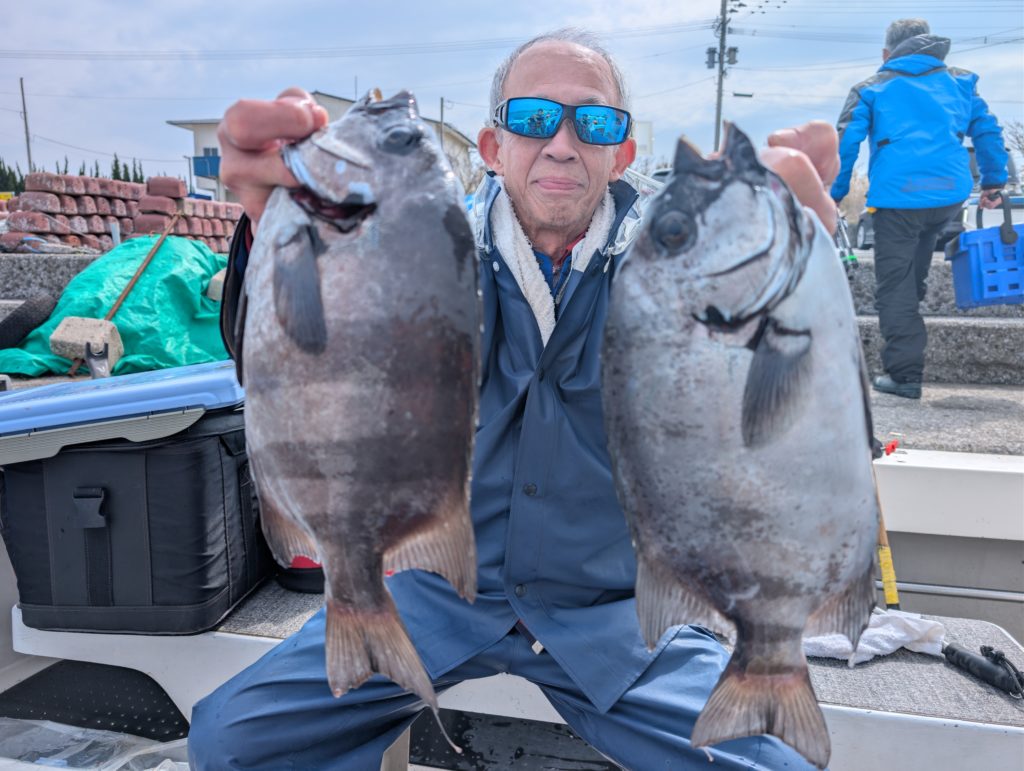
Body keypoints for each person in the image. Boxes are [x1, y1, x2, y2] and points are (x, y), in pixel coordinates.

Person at [188, 28, 840, 770]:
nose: (562, 144)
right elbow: (308, 359)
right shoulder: (422, 249)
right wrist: (273, 237)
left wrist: (795, 280)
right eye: (534, 119)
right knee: (230, 739)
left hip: (614, 614)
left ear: (621, 153)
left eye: (594, 123)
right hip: (445, 594)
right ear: (493, 147)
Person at [830, 18, 1008, 400]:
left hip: (898, 199)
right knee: (912, 276)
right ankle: (907, 333)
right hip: (948, 196)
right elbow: (988, 131)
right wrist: (993, 182)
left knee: (895, 286)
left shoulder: (870, 88)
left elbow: (845, 144)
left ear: (887, 53)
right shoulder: (961, 81)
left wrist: (834, 194)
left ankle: (904, 375)